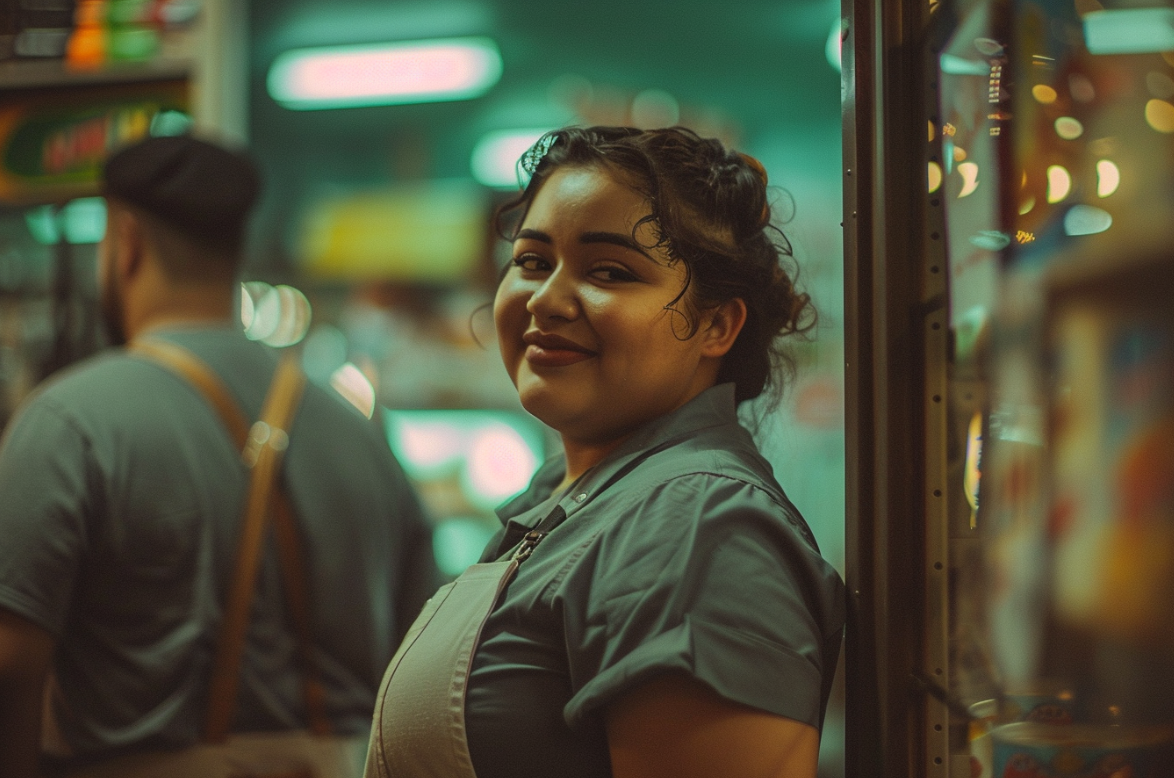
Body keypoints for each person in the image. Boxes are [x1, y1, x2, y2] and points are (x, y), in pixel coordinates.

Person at [364, 126, 846, 778]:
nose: (547, 299)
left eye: (609, 272)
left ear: (716, 325)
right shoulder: (568, 496)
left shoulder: (697, 526)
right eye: (532, 262)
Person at [0, 135, 439, 778]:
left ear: (125, 244)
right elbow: (424, 656)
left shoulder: (69, 421)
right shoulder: (359, 433)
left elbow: (10, 665)